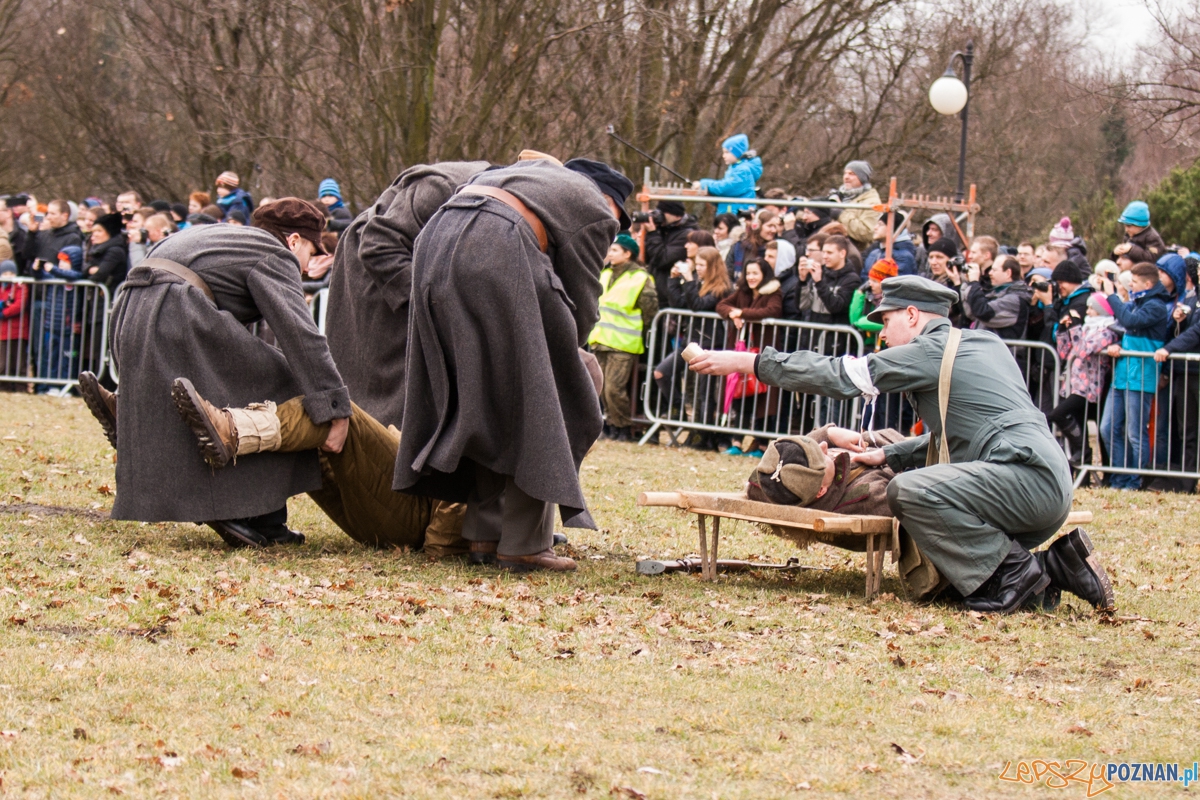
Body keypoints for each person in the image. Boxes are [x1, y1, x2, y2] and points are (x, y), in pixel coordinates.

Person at [688, 275, 1113, 614]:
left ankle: (1018, 575)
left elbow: (840, 375)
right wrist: (889, 453)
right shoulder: (984, 343)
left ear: (912, 315)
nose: (882, 335)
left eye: (886, 321)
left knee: (908, 490)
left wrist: (750, 362)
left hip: (1024, 481)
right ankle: (1056, 565)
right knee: (929, 510)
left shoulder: (929, 351)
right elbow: (970, 433)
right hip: (1047, 481)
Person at [394, 157, 629, 572]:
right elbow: (583, 299)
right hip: (497, 247)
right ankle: (524, 545)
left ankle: (484, 535)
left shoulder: (525, 179)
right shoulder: (594, 207)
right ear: (610, 201)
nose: (614, 229)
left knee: (483, 397)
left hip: (435, 242)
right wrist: (566, 361)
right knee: (545, 397)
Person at [88, 198, 350, 548]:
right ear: (293, 240)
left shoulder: (224, 237)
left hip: (128, 316)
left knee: (210, 403)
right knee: (287, 391)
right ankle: (261, 519)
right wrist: (334, 409)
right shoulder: (275, 253)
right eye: (311, 252)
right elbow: (301, 336)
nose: (306, 268)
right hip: (175, 315)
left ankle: (134, 413)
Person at [165, 378, 467, 556]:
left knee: (335, 415)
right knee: (308, 419)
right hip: (414, 482)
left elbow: (467, 482)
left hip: (417, 509)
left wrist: (439, 549)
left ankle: (232, 429)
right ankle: (220, 495)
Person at [325, 160, 490, 428]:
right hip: (376, 274)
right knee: (387, 399)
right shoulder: (443, 188)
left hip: (410, 270)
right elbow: (378, 245)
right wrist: (438, 307)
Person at [1097, 262, 1173, 490]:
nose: (1130, 284)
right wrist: (1119, 345)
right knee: (1107, 428)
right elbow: (1128, 329)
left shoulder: (1156, 306)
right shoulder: (1137, 302)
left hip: (1141, 377)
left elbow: (1130, 321)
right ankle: (1118, 478)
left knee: (1135, 433)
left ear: (1148, 284)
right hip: (1123, 376)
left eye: (1135, 281)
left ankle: (1135, 480)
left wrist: (1111, 296)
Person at [655, 246, 731, 448]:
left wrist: (688, 280)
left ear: (712, 266)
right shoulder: (698, 282)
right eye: (696, 265)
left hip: (709, 343)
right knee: (661, 373)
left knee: (704, 393)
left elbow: (698, 305)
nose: (698, 268)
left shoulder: (721, 288)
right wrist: (673, 280)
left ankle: (702, 435)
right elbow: (680, 304)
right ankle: (681, 413)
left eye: (701, 265)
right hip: (690, 341)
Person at [589, 233, 658, 442]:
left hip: (623, 342)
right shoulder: (605, 274)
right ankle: (610, 425)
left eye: (615, 250)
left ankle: (623, 427)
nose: (609, 253)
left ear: (628, 254)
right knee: (601, 389)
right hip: (600, 338)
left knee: (614, 389)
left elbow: (649, 310)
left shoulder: (641, 278)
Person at [716, 258, 782, 456]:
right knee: (741, 395)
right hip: (743, 351)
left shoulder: (773, 292)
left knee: (763, 400)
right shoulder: (742, 292)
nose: (751, 277)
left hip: (764, 353)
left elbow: (773, 310)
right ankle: (736, 442)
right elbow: (722, 305)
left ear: (764, 274)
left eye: (755, 273)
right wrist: (732, 314)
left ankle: (761, 446)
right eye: (748, 273)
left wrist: (742, 313)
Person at [1050, 294, 1119, 463]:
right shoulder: (1086, 328)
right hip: (1073, 385)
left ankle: (1085, 451)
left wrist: (1076, 326)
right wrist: (1063, 330)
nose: (1087, 312)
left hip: (1089, 388)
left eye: (1091, 308)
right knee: (1080, 425)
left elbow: (1083, 350)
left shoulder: (1107, 332)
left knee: (1057, 414)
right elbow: (1065, 353)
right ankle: (1084, 459)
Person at [955, 253, 1031, 340]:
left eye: (994, 270)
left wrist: (974, 282)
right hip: (987, 346)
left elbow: (983, 312)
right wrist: (968, 282)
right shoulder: (996, 291)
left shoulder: (1015, 299)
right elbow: (971, 312)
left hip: (1002, 348)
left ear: (1008, 273)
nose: (990, 273)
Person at [643, 200, 699, 302]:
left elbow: (662, 259)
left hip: (668, 293)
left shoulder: (687, 235)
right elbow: (645, 257)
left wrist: (653, 233)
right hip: (654, 289)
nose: (659, 215)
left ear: (676, 215)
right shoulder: (662, 230)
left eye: (662, 212)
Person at [693, 134, 763, 215]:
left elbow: (726, 188)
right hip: (729, 212)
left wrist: (704, 184)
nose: (723, 156)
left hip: (736, 215)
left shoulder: (743, 171)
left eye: (727, 152)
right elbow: (725, 195)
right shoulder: (735, 168)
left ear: (737, 153)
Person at [831, 161, 881, 251]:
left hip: (857, 253)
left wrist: (841, 214)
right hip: (832, 250)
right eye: (845, 173)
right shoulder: (840, 196)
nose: (846, 177)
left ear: (862, 178)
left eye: (852, 174)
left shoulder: (872, 202)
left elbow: (867, 233)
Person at [811, 235, 860, 327]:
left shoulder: (852, 279)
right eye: (823, 252)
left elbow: (837, 307)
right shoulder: (819, 272)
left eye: (829, 253)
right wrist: (802, 281)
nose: (825, 256)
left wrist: (819, 283)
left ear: (842, 254)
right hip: (813, 331)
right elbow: (802, 306)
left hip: (835, 333)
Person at [22, 199, 83, 272]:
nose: (48, 217)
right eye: (48, 213)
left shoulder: (73, 238)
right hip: (39, 277)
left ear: (65, 216)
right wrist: (31, 233)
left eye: (53, 214)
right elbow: (27, 255)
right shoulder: (43, 234)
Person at [850, 257, 897, 350]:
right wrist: (859, 293)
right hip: (869, 346)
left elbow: (884, 324)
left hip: (886, 347)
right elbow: (853, 319)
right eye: (869, 280)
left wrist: (860, 322)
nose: (870, 284)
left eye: (875, 281)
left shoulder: (893, 301)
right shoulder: (869, 297)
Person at [0, 260, 30, 388]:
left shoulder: (20, 287)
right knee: (2, 363)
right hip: (3, 331)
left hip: (18, 331)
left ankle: (21, 387)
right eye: (5, 273)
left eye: (11, 273)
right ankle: (4, 387)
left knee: (19, 362)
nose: (8, 276)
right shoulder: (2, 288)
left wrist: (4, 313)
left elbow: (19, 305)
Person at [861, 211, 916, 279]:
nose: (875, 227)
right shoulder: (874, 253)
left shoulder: (904, 257)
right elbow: (864, 278)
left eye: (880, 224)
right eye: (876, 224)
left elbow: (894, 283)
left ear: (892, 228)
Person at [84, 213, 129, 292]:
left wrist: (92, 271)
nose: (95, 234)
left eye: (99, 231)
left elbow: (100, 274)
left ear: (110, 232)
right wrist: (89, 270)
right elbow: (84, 269)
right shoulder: (95, 249)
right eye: (93, 231)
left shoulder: (115, 251)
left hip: (109, 293)